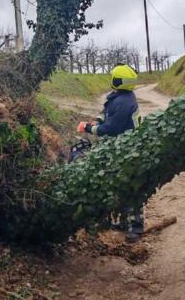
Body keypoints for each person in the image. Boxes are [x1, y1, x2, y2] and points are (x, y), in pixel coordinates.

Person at [76, 64, 144, 242]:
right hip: (120, 148)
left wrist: (89, 128)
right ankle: (124, 222)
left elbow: (110, 128)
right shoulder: (122, 97)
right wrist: (97, 118)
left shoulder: (124, 102)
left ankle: (135, 229)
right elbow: (107, 112)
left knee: (130, 188)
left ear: (118, 80)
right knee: (120, 187)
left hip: (127, 150)